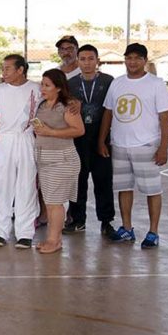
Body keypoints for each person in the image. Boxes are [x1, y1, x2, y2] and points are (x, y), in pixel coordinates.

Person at [99, 43, 168, 249]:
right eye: (129, 58)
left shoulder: (156, 84)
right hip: (120, 145)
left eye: (137, 58)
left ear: (144, 61)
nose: (132, 62)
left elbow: (165, 117)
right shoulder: (117, 83)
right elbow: (108, 113)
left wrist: (163, 147)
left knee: (152, 190)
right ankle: (127, 228)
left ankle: (153, 232)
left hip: (146, 145)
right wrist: (102, 140)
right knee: (124, 188)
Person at [0, 54, 40, 249]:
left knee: (26, 186)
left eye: (8, 68)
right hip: (5, 140)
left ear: (20, 70)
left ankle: (25, 233)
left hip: (27, 139)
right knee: (1, 186)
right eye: (3, 68)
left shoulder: (36, 88)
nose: (4, 72)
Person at [33, 69, 85, 254]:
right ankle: (54, 239)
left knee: (55, 203)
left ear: (59, 88)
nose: (43, 88)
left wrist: (51, 132)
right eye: (42, 84)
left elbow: (79, 130)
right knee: (50, 202)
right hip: (44, 159)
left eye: (47, 85)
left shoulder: (67, 106)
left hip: (62, 159)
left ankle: (53, 241)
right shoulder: (41, 105)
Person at [65, 45, 116, 235]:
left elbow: (111, 111)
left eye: (90, 58)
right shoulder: (70, 84)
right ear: (78, 61)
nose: (87, 63)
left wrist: (103, 140)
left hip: (101, 136)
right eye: (83, 59)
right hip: (78, 137)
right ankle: (78, 220)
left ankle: (106, 221)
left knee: (103, 180)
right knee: (78, 180)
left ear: (97, 60)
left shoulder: (108, 81)